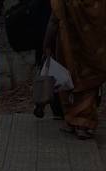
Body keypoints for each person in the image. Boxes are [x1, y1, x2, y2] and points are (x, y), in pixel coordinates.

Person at [44, 0, 106, 139]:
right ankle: (83, 124)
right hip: (94, 49)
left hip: (69, 48)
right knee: (89, 85)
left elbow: (55, 18)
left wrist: (47, 43)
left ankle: (74, 122)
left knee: (67, 81)